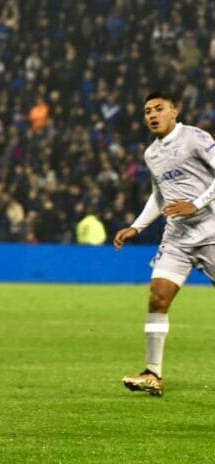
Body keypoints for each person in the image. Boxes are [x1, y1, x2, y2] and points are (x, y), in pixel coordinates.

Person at [114, 91, 215, 397]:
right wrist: (136, 226)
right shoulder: (151, 154)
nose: (152, 115)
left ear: (174, 111)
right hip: (177, 238)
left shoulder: (196, 138)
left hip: (211, 230)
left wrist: (196, 205)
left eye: (159, 109)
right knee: (158, 297)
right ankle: (152, 373)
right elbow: (160, 194)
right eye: (147, 111)